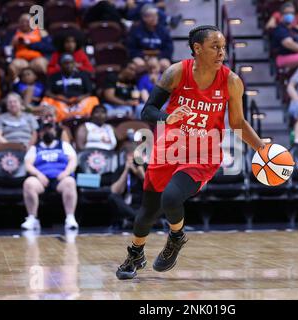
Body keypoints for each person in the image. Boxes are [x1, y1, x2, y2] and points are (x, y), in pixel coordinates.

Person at [116, 25, 265, 280]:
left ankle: (176, 237)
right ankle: (136, 253)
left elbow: (238, 124)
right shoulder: (176, 72)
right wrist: (167, 116)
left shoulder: (231, 81)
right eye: (215, 47)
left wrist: (262, 149)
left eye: (223, 47)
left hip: (203, 154)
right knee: (146, 215)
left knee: (172, 198)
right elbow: (147, 111)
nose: (222, 53)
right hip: (168, 150)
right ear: (197, 48)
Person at [21, 123, 79, 230]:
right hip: (41, 178)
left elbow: (73, 160)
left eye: (50, 129)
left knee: (70, 182)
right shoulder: (35, 148)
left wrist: (66, 172)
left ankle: (70, 218)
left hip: (60, 178)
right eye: (45, 130)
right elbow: (28, 164)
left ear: (55, 132)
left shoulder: (64, 145)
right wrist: (38, 174)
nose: (48, 132)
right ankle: (32, 218)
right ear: (40, 133)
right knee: (28, 183)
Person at [40, 54, 99, 122]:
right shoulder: (54, 77)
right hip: (60, 102)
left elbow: (89, 92)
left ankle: (85, 118)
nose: (68, 65)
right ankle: (54, 120)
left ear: (74, 64)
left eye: (71, 63)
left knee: (94, 100)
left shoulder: (82, 75)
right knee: (46, 100)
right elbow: (47, 92)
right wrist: (57, 97)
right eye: (65, 63)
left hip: (79, 102)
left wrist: (81, 97)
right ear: (60, 65)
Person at [108, 143, 146, 229]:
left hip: (142, 205)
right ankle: (138, 219)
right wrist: (126, 170)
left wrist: (142, 176)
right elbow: (115, 191)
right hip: (127, 208)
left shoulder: (146, 167)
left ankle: (134, 220)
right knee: (112, 197)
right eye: (130, 156)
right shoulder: (120, 169)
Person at [127, 4, 174, 72]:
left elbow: (169, 48)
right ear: (144, 18)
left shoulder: (163, 30)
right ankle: (142, 82)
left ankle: (162, 82)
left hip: (159, 57)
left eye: (156, 15)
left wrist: (158, 58)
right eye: (152, 16)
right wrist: (145, 58)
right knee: (139, 64)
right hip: (142, 57)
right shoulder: (136, 30)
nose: (155, 18)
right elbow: (131, 49)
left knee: (165, 64)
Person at [9, 14, 49, 80]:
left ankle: (46, 87)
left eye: (27, 21)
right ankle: (16, 87)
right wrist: (12, 43)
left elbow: (48, 47)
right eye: (22, 22)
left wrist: (30, 44)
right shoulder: (13, 33)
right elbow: (6, 48)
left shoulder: (41, 32)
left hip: (37, 58)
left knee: (41, 64)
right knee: (13, 67)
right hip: (20, 59)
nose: (24, 24)